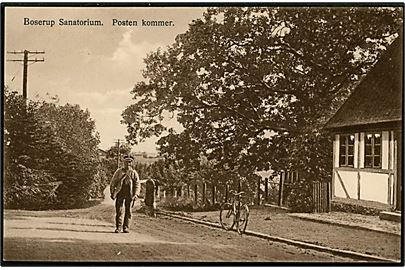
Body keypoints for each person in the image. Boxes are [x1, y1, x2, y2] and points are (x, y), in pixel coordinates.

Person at [110, 154, 140, 233]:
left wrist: (136, 194)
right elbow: (113, 182)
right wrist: (112, 192)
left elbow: (137, 184)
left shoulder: (133, 173)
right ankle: (118, 227)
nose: (128, 164)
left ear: (132, 163)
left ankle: (126, 227)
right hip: (120, 192)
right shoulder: (119, 172)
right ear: (124, 162)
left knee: (128, 211)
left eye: (130, 162)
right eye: (126, 162)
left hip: (129, 193)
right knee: (119, 211)